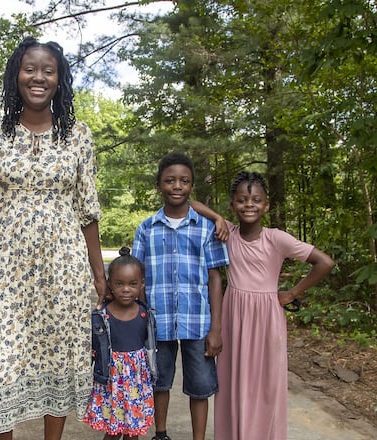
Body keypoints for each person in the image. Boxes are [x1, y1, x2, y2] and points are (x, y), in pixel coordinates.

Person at [0, 36, 108, 439]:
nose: (38, 77)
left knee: (60, 356)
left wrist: (98, 272)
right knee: (1, 359)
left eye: (48, 70)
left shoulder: (78, 135)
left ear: (59, 79)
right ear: (15, 76)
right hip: (4, 267)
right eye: (30, 69)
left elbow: (87, 210)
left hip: (64, 264)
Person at [214, 171, 334, 440]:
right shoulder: (227, 235)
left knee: (266, 384)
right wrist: (217, 218)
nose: (249, 205)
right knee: (234, 382)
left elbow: (325, 262)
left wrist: (292, 293)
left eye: (256, 199)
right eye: (242, 200)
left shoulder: (276, 239)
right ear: (232, 205)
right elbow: (192, 206)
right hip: (235, 316)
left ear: (266, 206)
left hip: (267, 318)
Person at [131, 152, 229, 440]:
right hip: (156, 321)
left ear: (191, 186)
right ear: (159, 185)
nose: (177, 186)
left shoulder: (207, 228)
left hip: (197, 321)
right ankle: (161, 434)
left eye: (184, 181)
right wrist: (137, 318)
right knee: (159, 381)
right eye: (170, 180)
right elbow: (138, 277)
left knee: (200, 385)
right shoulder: (147, 228)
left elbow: (215, 278)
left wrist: (216, 328)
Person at [83, 247, 156, 439]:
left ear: (141, 284)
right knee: (113, 431)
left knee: (133, 430)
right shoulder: (101, 316)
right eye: (119, 283)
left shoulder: (145, 314)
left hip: (136, 381)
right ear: (109, 284)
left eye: (132, 284)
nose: (126, 289)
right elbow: (92, 349)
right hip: (112, 381)